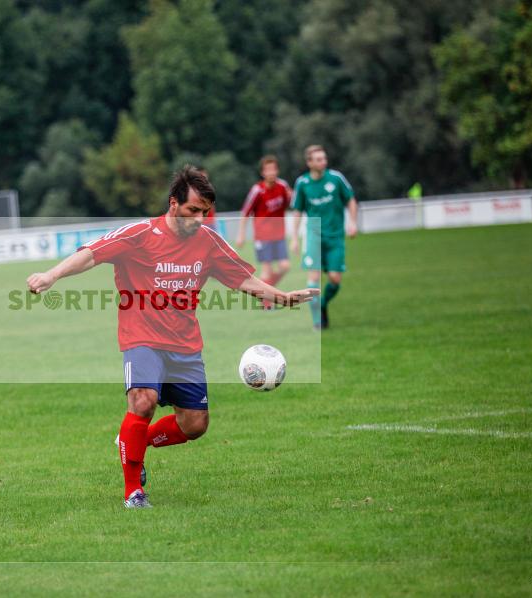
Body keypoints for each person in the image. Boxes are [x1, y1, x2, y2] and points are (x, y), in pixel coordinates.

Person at [26, 166, 319, 509]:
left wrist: (280, 296)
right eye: (193, 210)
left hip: (184, 345)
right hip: (141, 337)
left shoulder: (208, 241)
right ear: (173, 204)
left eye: (205, 212)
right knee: (143, 400)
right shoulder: (140, 234)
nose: (199, 219)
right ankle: (133, 492)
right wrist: (52, 275)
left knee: (195, 425)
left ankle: (132, 441)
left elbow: (241, 279)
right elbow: (91, 254)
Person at [290, 146, 358, 329]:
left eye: (324, 158)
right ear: (309, 162)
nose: (323, 162)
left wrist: (352, 222)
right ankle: (317, 321)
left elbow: (350, 199)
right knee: (313, 279)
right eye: (318, 159)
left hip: (335, 236)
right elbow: (297, 210)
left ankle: (322, 303)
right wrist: (294, 237)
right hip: (313, 234)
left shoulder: (336, 178)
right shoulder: (302, 183)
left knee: (335, 280)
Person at [235, 156, 293, 308]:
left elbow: (288, 204)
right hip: (263, 236)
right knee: (266, 271)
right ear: (262, 173)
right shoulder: (257, 190)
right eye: (268, 170)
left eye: (274, 169)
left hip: (279, 235)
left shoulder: (283, 186)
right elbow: (245, 212)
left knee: (285, 266)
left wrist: (291, 197)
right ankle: (267, 301)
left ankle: (264, 293)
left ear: (277, 170)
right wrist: (241, 234)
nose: (271, 172)